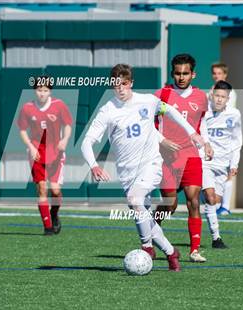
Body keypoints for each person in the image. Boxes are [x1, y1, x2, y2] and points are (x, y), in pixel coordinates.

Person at [81, 64, 205, 272]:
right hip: (127, 174)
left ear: (131, 84)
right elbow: (86, 142)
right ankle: (171, 252)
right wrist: (94, 165)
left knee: (135, 201)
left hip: (151, 165)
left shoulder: (148, 100)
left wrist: (192, 132)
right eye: (116, 84)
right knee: (144, 214)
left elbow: (171, 111)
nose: (120, 88)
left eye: (125, 84)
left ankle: (147, 248)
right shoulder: (107, 110)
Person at [154, 54, 213, 263]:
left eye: (185, 73)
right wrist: (161, 142)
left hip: (191, 156)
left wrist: (205, 143)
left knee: (194, 201)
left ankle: (194, 250)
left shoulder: (200, 97)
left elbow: (201, 124)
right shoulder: (161, 95)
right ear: (172, 74)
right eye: (178, 73)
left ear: (193, 74)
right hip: (167, 157)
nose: (181, 77)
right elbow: (149, 126)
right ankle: (152, 231)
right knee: (169, 204)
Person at [17, 77, 72, 235]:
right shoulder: (27, 108)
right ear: (35, 91)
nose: (42, 93)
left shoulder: (59, 105)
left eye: (45, 90)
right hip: (37, 154)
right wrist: (30, 147)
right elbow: (22, 130)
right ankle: (47, 227)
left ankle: (54, 214)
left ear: (50, 91)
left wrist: (65, 139)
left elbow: (68, 125)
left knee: (55, 191)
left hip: (56, 153)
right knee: (42, 188)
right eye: (39, 90)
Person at [202, 81, 242, 249]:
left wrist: (234, 164)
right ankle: (216, 238)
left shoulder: (234, 114)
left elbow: (236, 140)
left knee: (215, 201)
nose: (219, 100)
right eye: (217, 96)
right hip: (205, 162)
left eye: (223, 97)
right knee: (210, 197)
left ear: (228, 99)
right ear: (212, 95)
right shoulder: (204, 112)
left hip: (222, 165)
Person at [209, 63, 237, 215]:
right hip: (213, 139)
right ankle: (214, 204)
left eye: (219, 73)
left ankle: (225, 206)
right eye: (214, 73)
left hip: (226, 136)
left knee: (227, 172)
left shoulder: (230, 93)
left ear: (224, 74)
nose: (216, 76)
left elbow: (225, 113)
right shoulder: (211, 92)